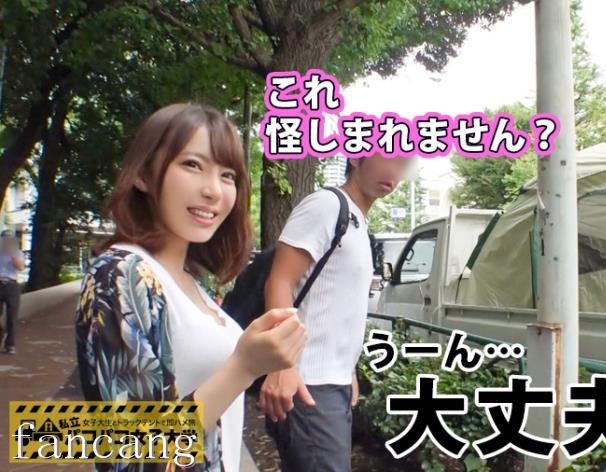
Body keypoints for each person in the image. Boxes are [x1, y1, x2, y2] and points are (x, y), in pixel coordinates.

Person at [75, 103, 307, 471]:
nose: (213, 190)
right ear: (144, 175)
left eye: (227, 175)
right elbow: (133, 454)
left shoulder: (189, 282)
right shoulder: (119, 275)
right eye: (192, 165)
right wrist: (244, 367)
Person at [262, 155, 408, 471]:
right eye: (387, 158)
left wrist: (348, 370)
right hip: (308, 382)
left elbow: (337, 307)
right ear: (356, 157)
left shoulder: (358, 222)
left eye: (402, 163)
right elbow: (280, 281)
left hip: (332, 383)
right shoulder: (326, 206)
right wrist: (282, 365)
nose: (393, 171)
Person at [0, 230, 25, 354]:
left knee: (12, 317)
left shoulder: (18, 253)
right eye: (4, 239)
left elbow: (20, 267)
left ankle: (10, 344)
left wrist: (12, 255)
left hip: (12, 285)